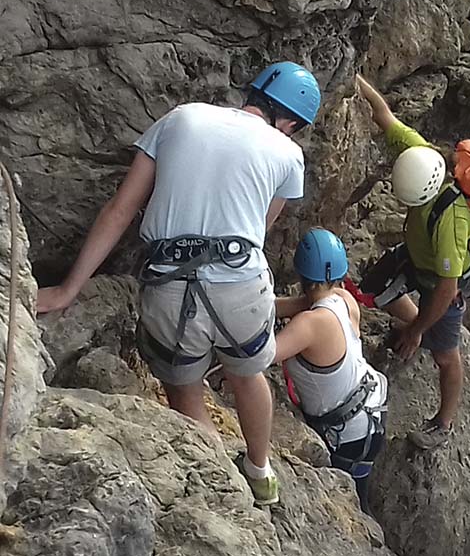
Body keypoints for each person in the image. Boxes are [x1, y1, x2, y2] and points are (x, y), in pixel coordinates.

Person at [36, 61, 323, 506]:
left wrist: (68, 288)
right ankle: (260, 472)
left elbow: (120, 209)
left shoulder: (181, 117)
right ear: (291, 122)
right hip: (241, 285)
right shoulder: (287, 154)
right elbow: (259, 231)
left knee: (185, 392)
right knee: (248, 375)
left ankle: (218, 478)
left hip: (168, 287)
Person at [354, 74, 470, 450]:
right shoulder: (418, 154)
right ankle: (414, 326)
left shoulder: (450, 223)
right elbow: (383, 113)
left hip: (443, 280)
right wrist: (353, 76)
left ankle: (444, 421)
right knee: (371, 292)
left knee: (444, 354)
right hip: (416, 258)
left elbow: (445, 289)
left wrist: (418, 330)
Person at [274, 228, 388, 514]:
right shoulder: (344, 299)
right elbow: (305, 302)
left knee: (346, 507)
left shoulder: (310, 324)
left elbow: (261, 356)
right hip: (369, 417)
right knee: (358, 498)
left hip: (345, 436)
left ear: (300, 274)